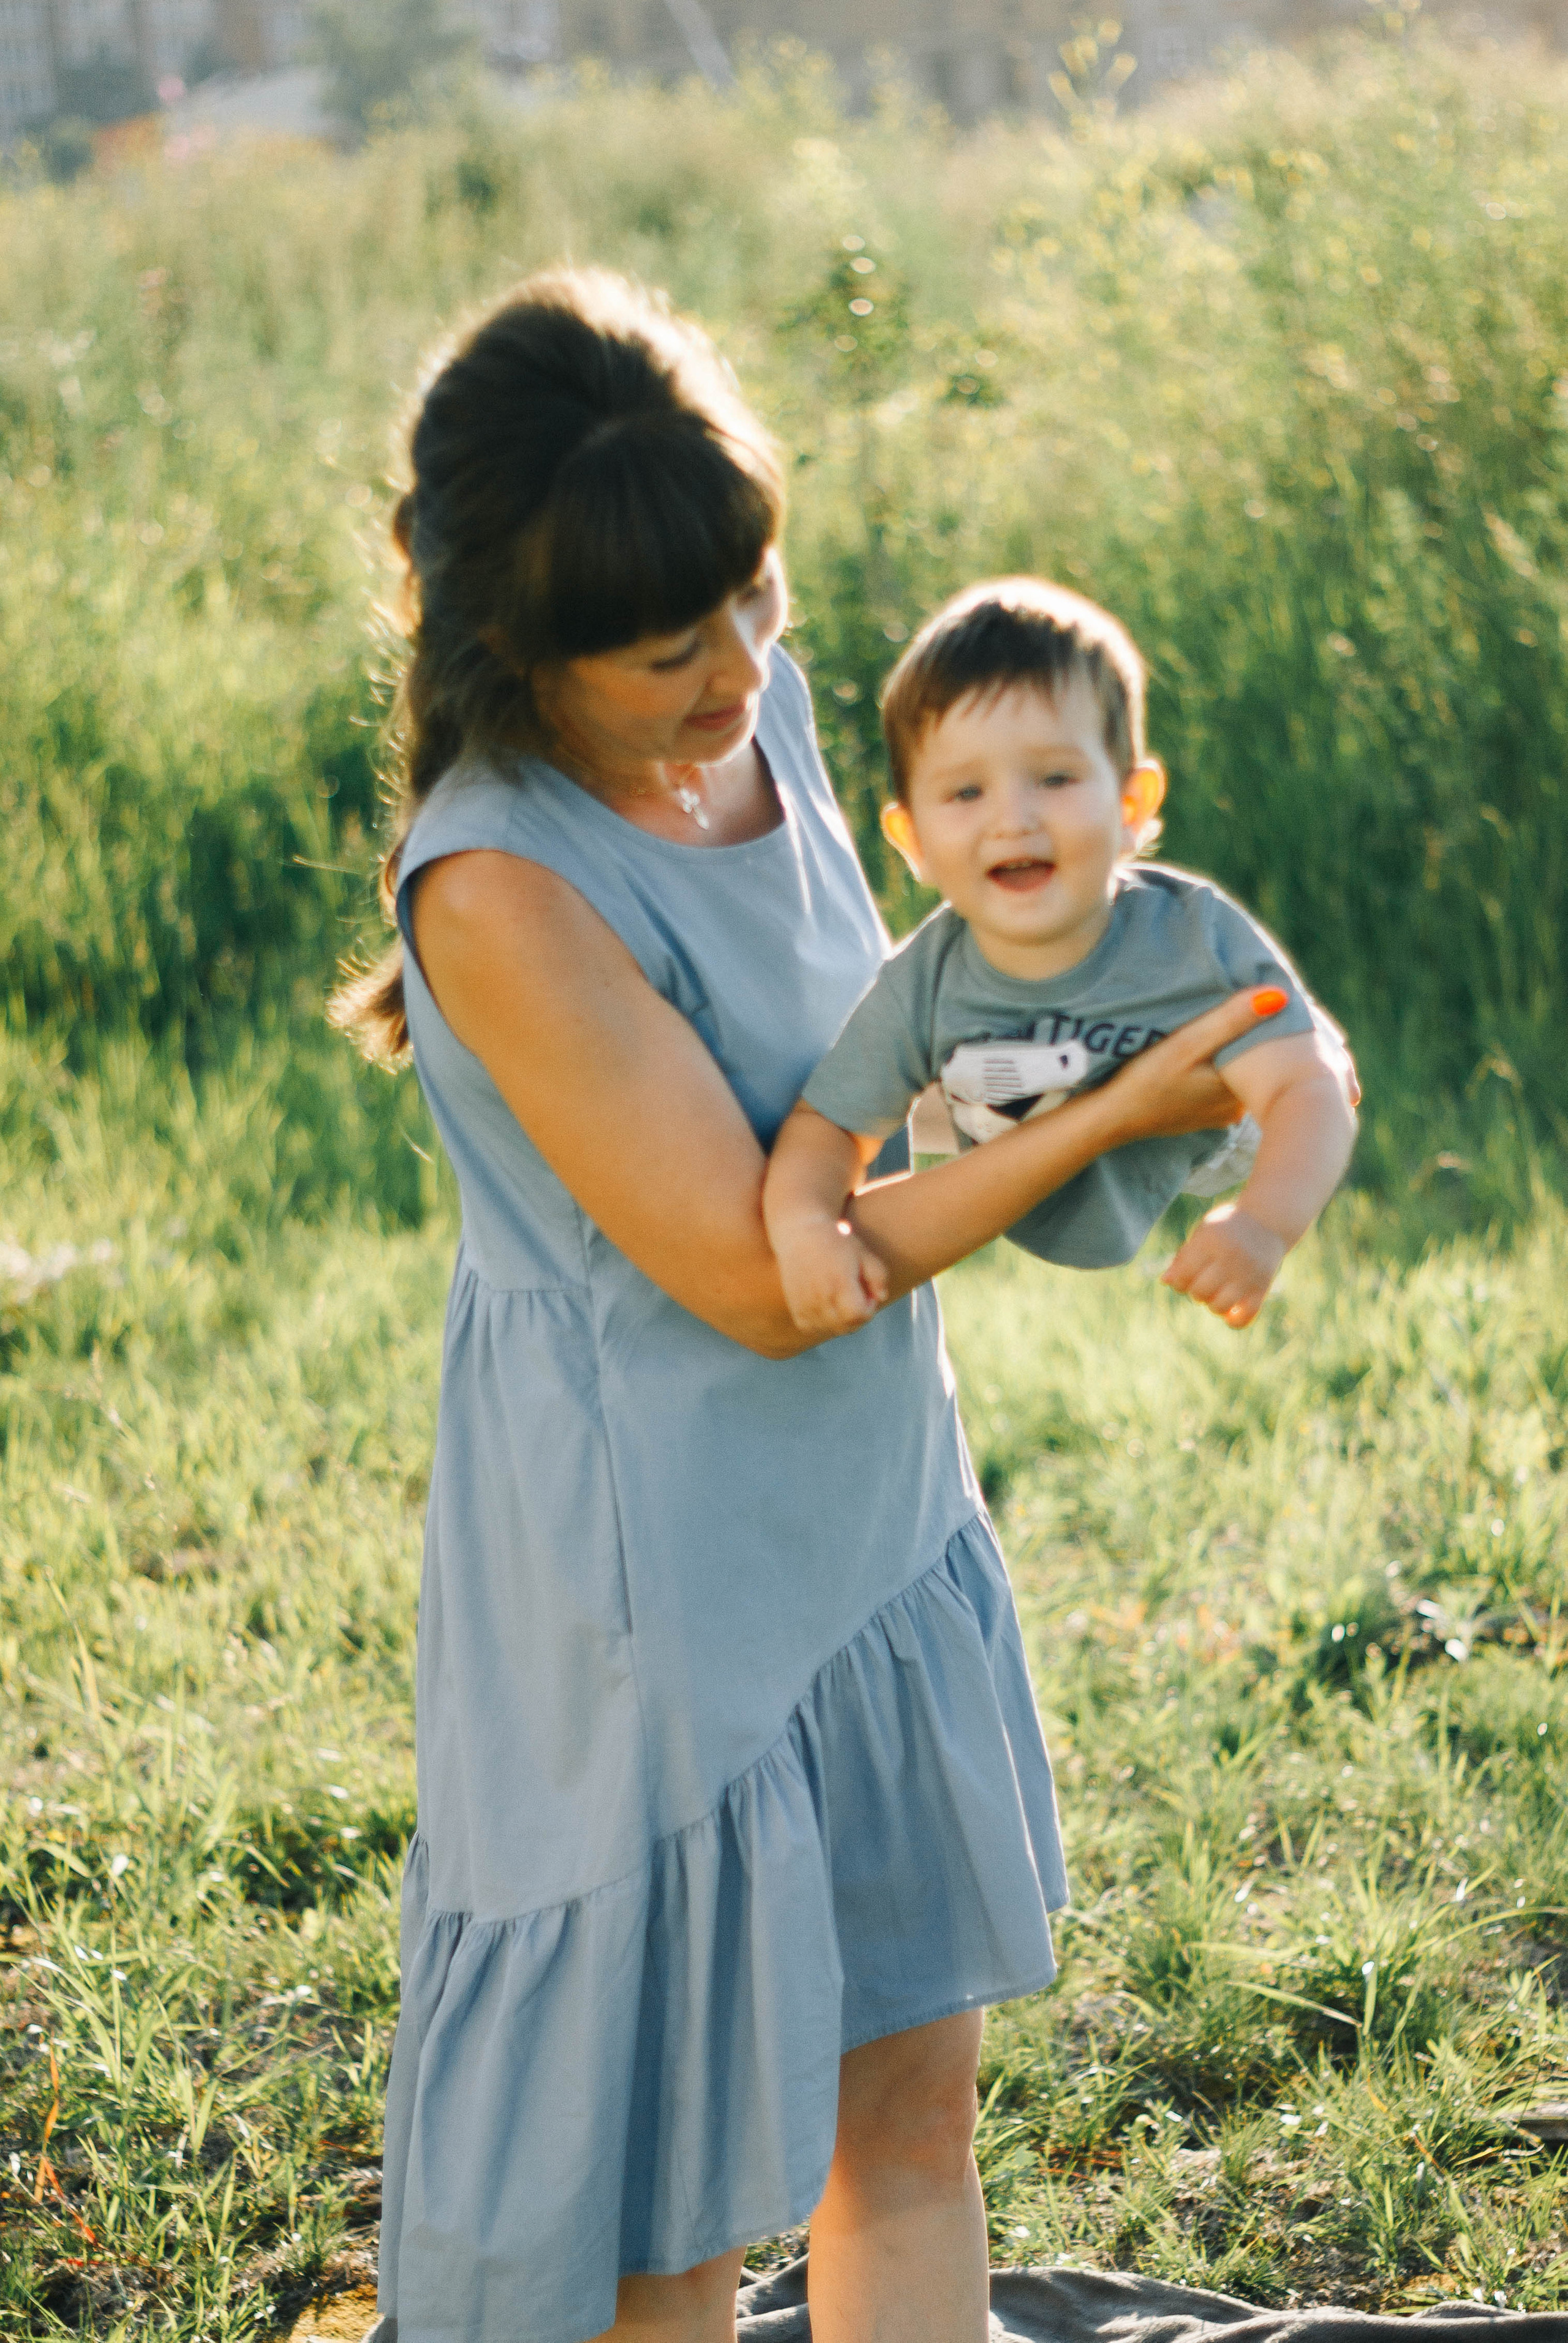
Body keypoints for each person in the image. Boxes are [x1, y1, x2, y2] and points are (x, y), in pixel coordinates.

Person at [331, 270, 1321, 2343]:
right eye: (669, 651)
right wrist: (1118, 1112)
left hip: (867, 1512)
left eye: (755, 604)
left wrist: (1090, 1038)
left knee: (911, 2103)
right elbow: (770, 1284)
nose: (740, 672)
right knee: (667, 2204)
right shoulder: (497, 884)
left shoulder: (754, 700)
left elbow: (873, 1059)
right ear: (514, 645)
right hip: (658, 1581)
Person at [763, 580, 1357, 1341]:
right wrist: (808, 1229)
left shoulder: (1189, 935)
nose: (1013, 818)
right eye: (966, 791)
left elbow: (1309, 1091)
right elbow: (829, 1125)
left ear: (1131, 806)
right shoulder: (926, 979)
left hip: (1210, 1131)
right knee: (944, 1087)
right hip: (1017, 1119)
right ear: (911, 839)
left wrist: (1263, 1224)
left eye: (1055, 778)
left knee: (1306, 1060)